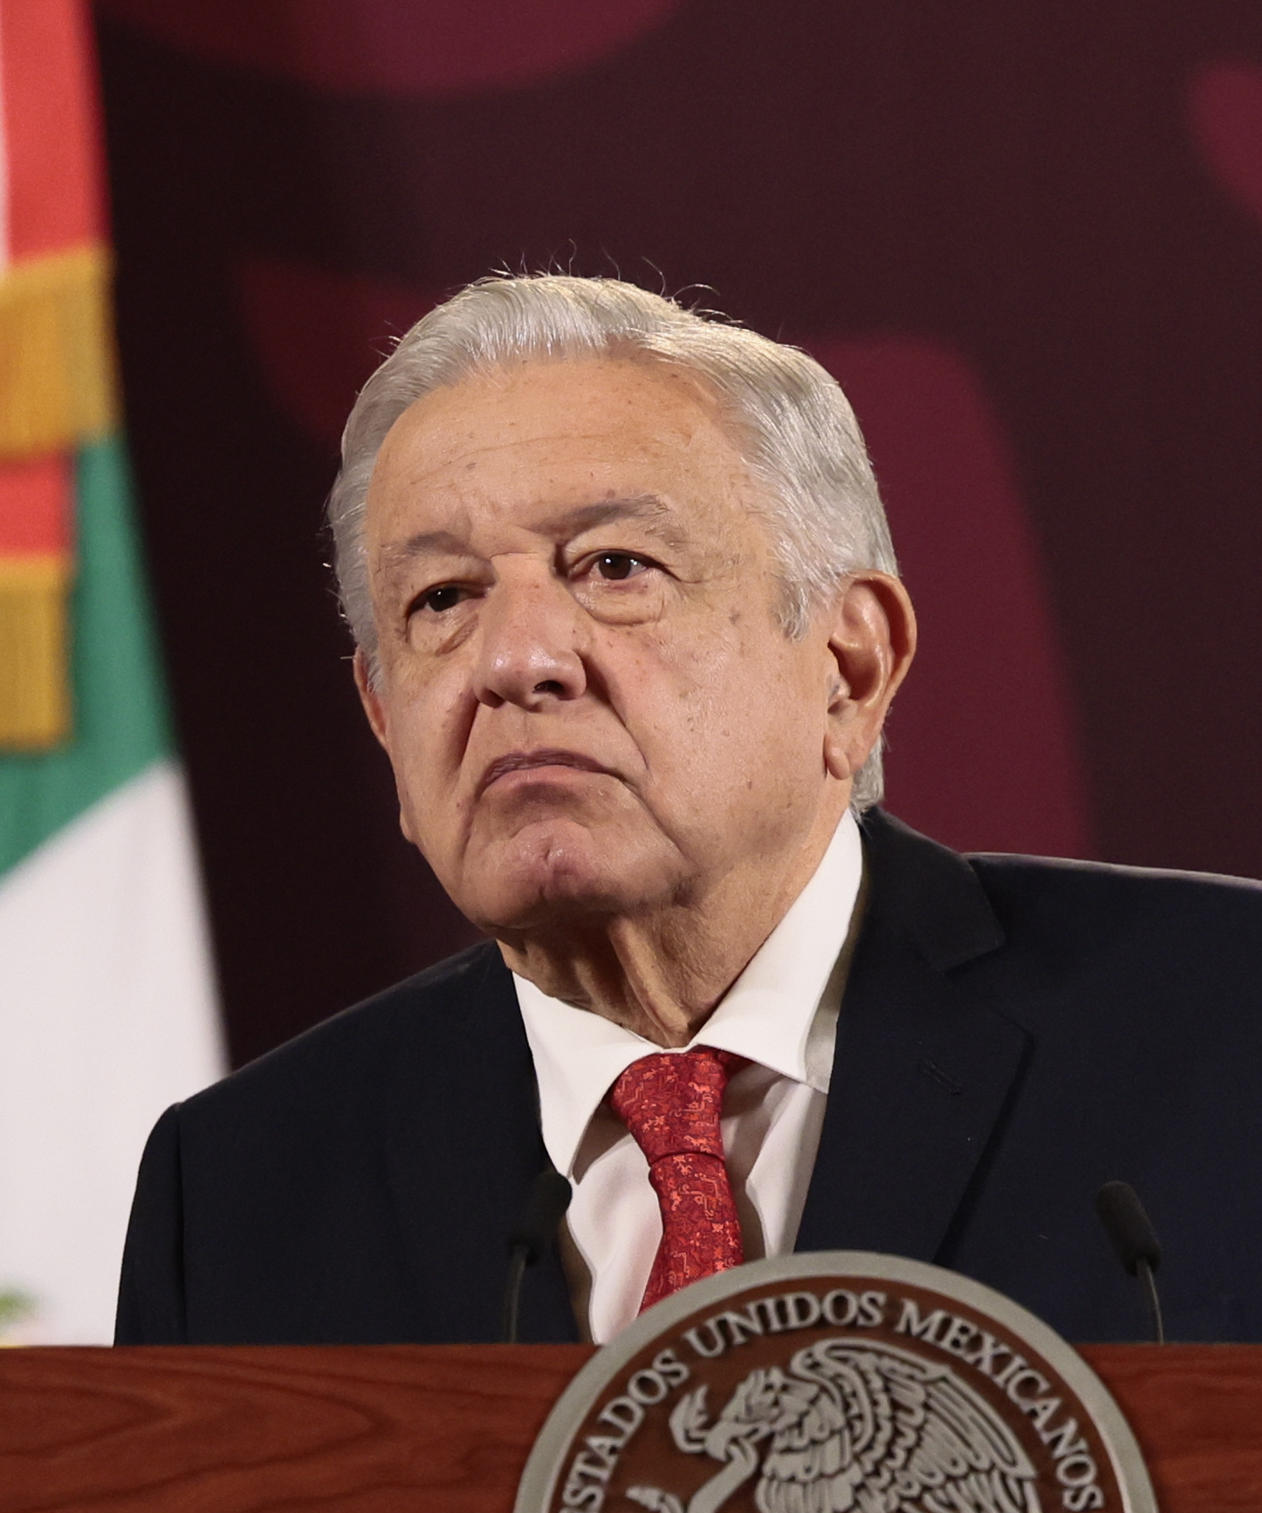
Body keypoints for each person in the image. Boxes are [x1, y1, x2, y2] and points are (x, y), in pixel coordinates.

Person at [116, 275, 1262, 1347]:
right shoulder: (235, 1194)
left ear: (848, 668)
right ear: (383, 720)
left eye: (614, 567)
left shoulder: (1222, 1030)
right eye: (444, 599)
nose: (515, 660)